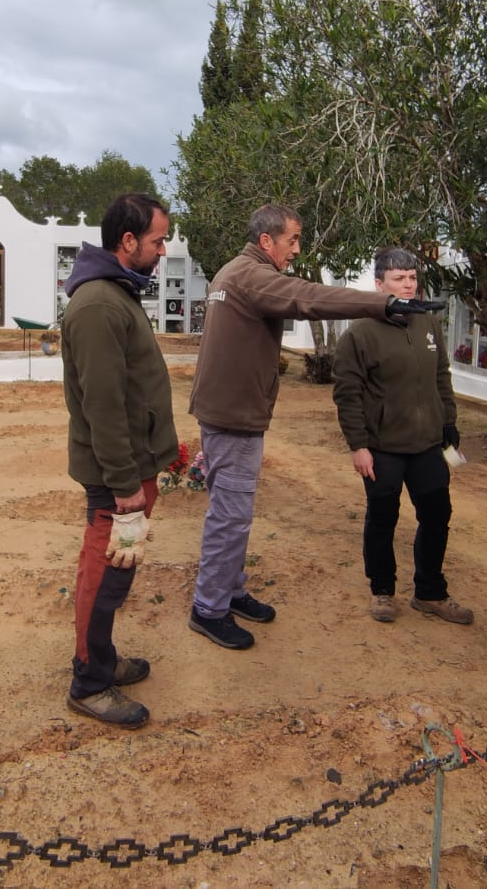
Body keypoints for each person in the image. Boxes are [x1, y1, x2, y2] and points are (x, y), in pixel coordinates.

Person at [188, 204, 443, 649]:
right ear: (267, 241)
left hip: (231, 411)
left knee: (235, 515)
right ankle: (209, 608)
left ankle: (229, 591)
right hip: (233, 417)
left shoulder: (234, 272)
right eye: (293, 240)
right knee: (230, 517)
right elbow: (309, 298)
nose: (297, 250)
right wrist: (383, 304)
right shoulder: (250, 275)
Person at [61, 193, 178, 728]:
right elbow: (103, 405)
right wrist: (126, 483)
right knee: (105, 574)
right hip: (118, 476)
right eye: (158, 240)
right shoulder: (100, 306)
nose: (163, 249)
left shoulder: (116, 294)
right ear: (127, 242)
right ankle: (89, 681)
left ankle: (101, 657)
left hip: (131, 468)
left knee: (116, 571)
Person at [332, 247, 473, 626]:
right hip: (383, 448)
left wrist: (449, 424)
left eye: (412, 278)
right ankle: (383, 590)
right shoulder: (361, 334)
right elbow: (348, 394)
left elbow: (441, 375)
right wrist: (358, 445)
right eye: (399, 279)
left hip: (428, 444)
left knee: (437, 515)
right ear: (380, 285)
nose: (408, 285)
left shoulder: (427, 324)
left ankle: (430, 593)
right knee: (382, 518)